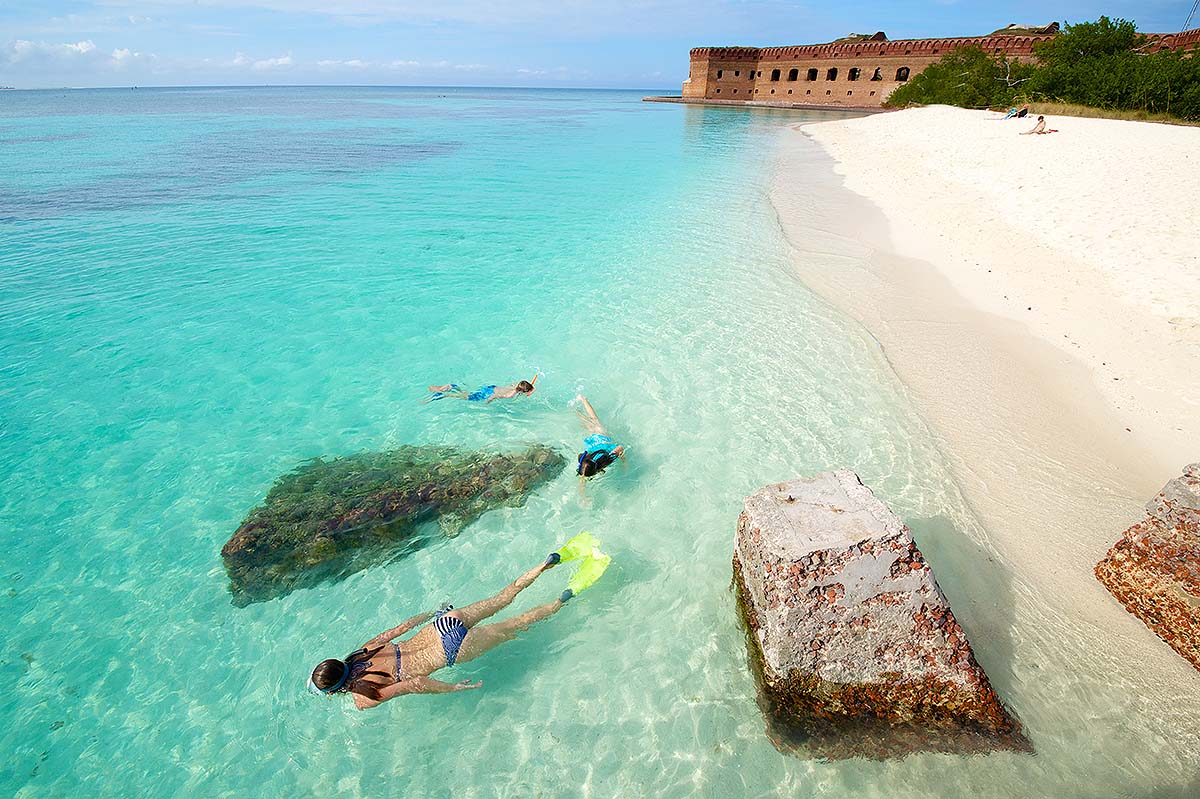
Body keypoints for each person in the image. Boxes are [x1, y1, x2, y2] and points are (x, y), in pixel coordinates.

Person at [308, 555, 569, 709]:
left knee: (516, 624)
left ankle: (559, 601)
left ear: (333, 690)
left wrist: (453, 687)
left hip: (449, 650)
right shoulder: (361, 652)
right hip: (442, 625)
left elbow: (415, 683)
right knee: (501, 598)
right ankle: (542, 566)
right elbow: (401, 628)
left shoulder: (362, 699)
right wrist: (434, 613)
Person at [574, 394, 625, 478]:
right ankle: (578, 408)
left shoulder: (607, 460)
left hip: (602, 436)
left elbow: (620, 447)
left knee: (594, 420)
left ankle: (583, 400)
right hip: (594, 440)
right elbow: (583, 472)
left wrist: (623, 460)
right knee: (590, 422)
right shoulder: (583, 460)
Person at [425, 375, 538, 404]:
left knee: (467, 392)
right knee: (462, 397)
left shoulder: (515, 386)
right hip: (488, 394)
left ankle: (454, 386)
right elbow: (495, 396)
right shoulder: (511, 395)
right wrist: (487, 402)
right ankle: (443, 394)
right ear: (524, 391)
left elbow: (515, 385)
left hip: (490, 388)